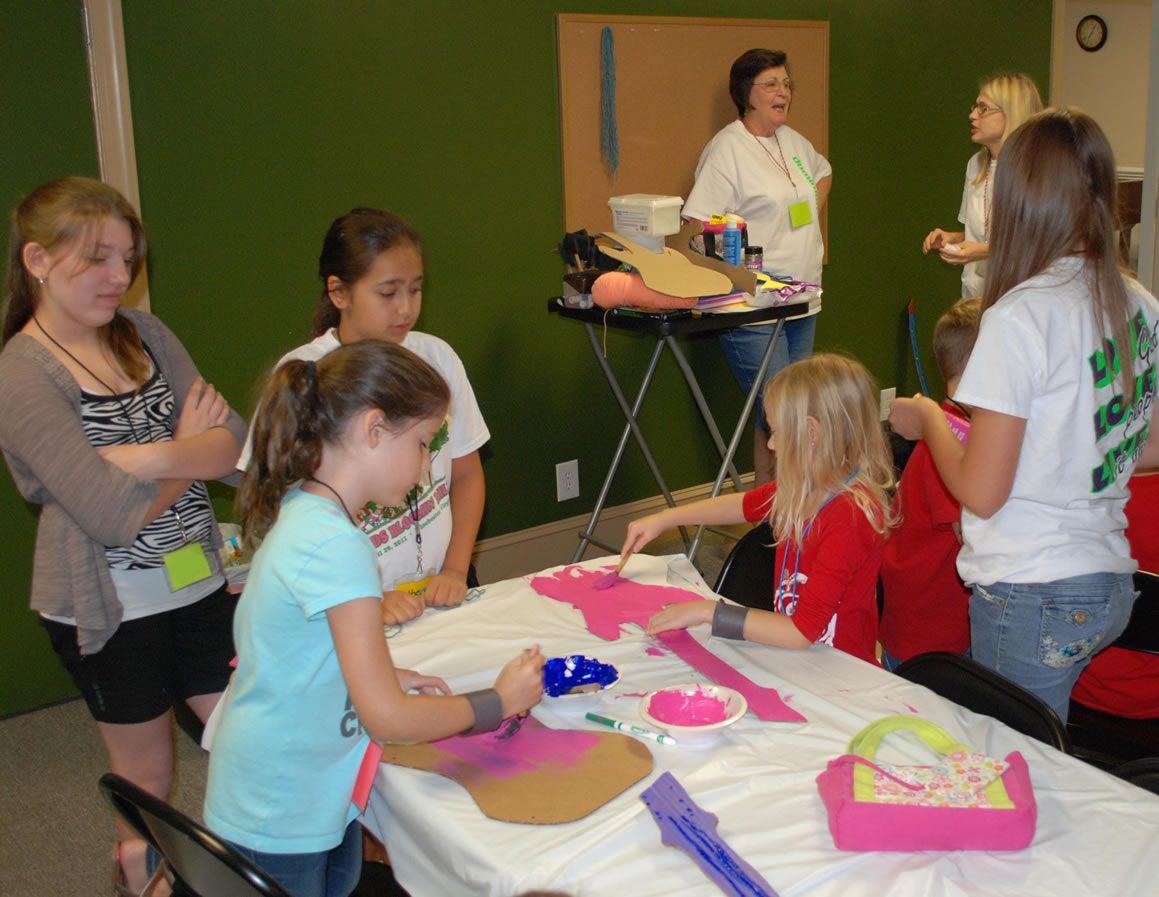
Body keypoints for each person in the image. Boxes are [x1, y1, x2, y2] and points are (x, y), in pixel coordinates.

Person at [205, 341, 543, 897]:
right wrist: (497, 702)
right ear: (373, 430)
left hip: (285, 794)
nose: (427, 465)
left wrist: (386, 675)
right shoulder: (338, 546)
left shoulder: (306, 509)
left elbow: (305, 650)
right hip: (279, 817)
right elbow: (387, 721)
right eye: (421, 444)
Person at [0, 176, 246, 894]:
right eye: (97, 258)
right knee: (150, 777)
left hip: (198, 581)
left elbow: (228, 444)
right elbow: (105, 516)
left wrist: (147, 457)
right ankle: (142, 880)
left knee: (243, 733)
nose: (119, 276)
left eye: (127, 257)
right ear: (37, 260)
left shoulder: (147, 333)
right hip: (108, 608)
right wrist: (185, 448)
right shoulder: (20, 375)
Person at [891, 108, 1159, 721]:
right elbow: (1146, 444)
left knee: (1013, 766)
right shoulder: (1139, 302)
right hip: (1109, 579)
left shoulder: (1020, 316)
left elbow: (981, 493)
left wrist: (932, 419)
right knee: (1046, 759)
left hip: (1032, 589)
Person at [239, 208, 489, 625]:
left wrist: (454, 569)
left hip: (441, 587)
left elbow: (467, 474)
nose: (405, 308)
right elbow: (278, 509)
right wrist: (365, 593)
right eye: (388, 293)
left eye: (415, 289)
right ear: (338, 292)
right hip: (350, 601)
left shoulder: (437, 358)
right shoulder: (306, 375)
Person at [620, 354, 894, 665]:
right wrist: (666, 518)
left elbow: (799, 632)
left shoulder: (850, 516)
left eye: (776, 432)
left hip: (842, 673)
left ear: (811, 433)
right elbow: (744, 505)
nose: (772, 445)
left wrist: (706, 611)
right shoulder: (806, 486)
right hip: (801, 662)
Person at [683, 48, 832, 484]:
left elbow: (823, 172)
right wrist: (741, 266)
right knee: (783, 414)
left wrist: (808, 213)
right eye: (770, 84)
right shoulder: (727, 149)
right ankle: (786, 516)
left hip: (803, 298)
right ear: (745, 93)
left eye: (786, 84)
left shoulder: (793, 141)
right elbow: (696, 226)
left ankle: (772, 508)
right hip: (753, 306)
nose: (782, 92)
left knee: (785, 412)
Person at [879, 298, 981, 671]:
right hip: (931, 633)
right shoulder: (950, 449)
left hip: (922, 619)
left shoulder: (946, 434)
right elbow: (970, 534)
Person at [922, 73, 1043, 297]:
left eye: (983, 109)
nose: (972, 115)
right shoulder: (975, 165)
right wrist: (953, 239)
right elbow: (982, 235)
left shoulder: (1038, 171)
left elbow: (1038, 244)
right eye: (974, 107)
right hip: (974, 296)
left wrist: (984, 251)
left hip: (1017, 298)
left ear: (1012, 113)